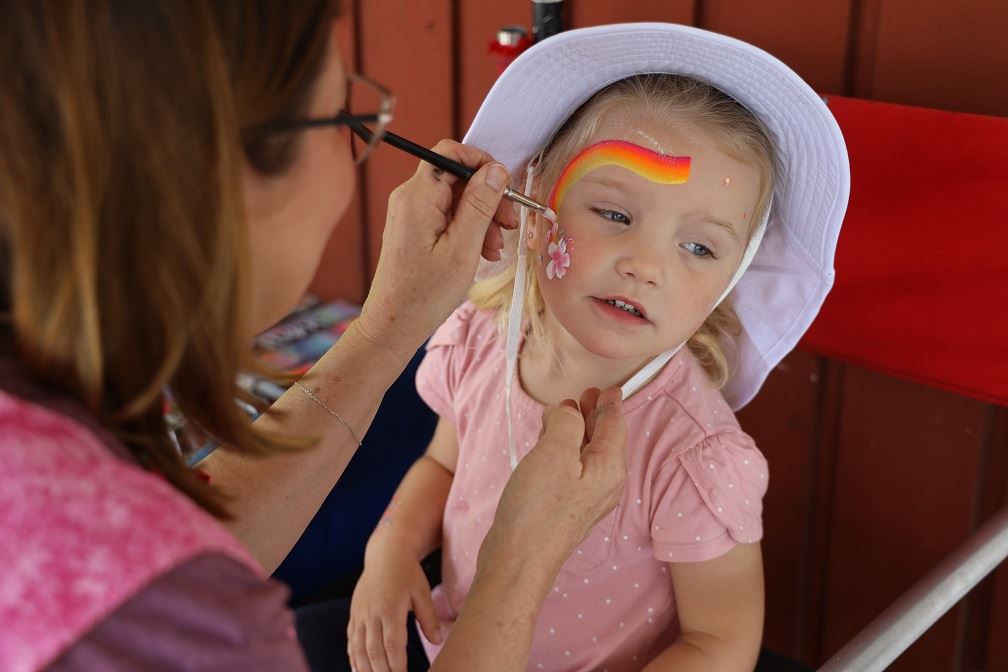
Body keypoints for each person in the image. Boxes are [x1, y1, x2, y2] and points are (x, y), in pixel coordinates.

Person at [0, 3, 628, 671]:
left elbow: (166, 546)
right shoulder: (188, 628)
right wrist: (521, 560)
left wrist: (390, 326)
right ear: (218, 183)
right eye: (349, 124)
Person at [328, 23, 850, 672]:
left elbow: (721, 642)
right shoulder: (482, 343)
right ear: (538, 195)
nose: (645, 265)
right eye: (614, 214)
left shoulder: (691, 453)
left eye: (698, 248)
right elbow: (441, 466)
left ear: (734, 278)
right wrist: (390, 550)